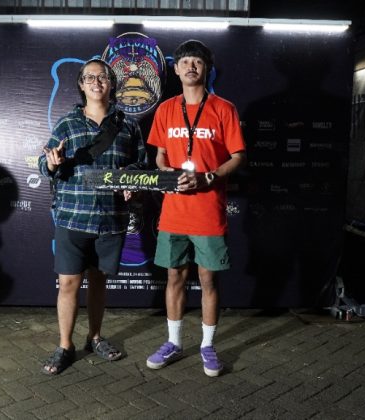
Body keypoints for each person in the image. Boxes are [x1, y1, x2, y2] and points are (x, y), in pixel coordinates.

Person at [38, 59, 147, 375]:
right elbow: (45, 165)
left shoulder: (128, 126)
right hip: (72, 217)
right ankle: (65, 345)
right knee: (68, 283)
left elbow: (142, 163)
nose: (96, 82)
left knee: (98, 282)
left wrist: (131, 177)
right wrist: (53, 162)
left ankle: (95, 337)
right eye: (89, 77)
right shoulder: (67, 124)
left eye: (102, 77)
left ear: (111, 84)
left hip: (111, 218)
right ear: (81, 85)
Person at [145, 40, 246, 377]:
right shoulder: (165, 109)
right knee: (174, 276)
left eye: (197, 62)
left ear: (207, 69)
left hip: (208, 210)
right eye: (185, 61)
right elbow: (159, 154)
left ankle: (207, 346)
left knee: (207, 279)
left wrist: (209, 177)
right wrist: (166, 173)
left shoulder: (224, 108)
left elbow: (238, 156)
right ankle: (173, 342)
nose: (191, 66)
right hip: (174, 212)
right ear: (175, 69)